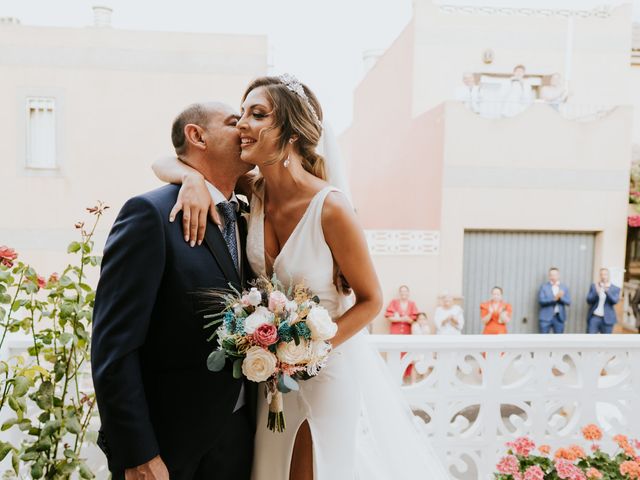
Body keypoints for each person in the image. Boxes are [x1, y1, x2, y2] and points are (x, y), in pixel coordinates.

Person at [152, 75, 449, 479]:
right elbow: (165, 161)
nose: (242, 124)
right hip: (269, 376)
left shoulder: (330, 208)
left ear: (291, 133)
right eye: (241, 115)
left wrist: (308, 352)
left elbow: (371, 300)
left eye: (257, 115)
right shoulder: (253, 192)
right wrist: (190, 179)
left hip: (323, 372)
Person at [92, 103, 256, 480]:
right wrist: (138, 453)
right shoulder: (150, 214)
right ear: (197, 136)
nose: (246, 128)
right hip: (167, 449)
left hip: (237, 442)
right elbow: (113, 346)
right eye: (234, 122)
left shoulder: (248, 216)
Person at [586, 268, 621, 334]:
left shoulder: (615, 288)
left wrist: (607, 291)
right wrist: (597, 293)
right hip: (595, 317)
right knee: (590, 338)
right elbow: (588, 300)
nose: (603, 276)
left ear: (608, 275)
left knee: (606, 340)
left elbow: (615, 301)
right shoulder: (594, 286)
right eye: (601, 274)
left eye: (605, 274)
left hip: (608, 319)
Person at [538, 267, 571, 334]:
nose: (553, 276)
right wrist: (554, 299)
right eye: (551, 275)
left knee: (558, 341)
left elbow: (568, 301)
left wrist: (560, 298)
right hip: (545, 318)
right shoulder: (544, 287)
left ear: (558, 275)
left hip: (559, 318)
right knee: (543, 340)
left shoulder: (564, 287)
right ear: (549, 276)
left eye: (555, 275)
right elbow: (541, 301)